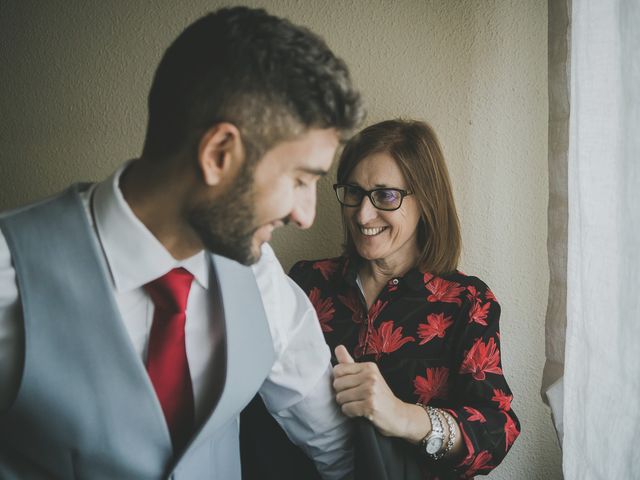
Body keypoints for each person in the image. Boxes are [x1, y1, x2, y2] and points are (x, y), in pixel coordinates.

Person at [0, 7, 364, 479]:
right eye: (299, 179)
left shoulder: (260, 276)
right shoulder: (7, 272)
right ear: (219, 155)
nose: (306, 213)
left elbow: (334, 444)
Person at [243, 119, 520, 479]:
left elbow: (498, 433)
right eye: (354, 192)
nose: (362, 214)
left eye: (386, 195)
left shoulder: (466, 302)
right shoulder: (308, 281)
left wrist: (404, 417)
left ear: (426, 201)